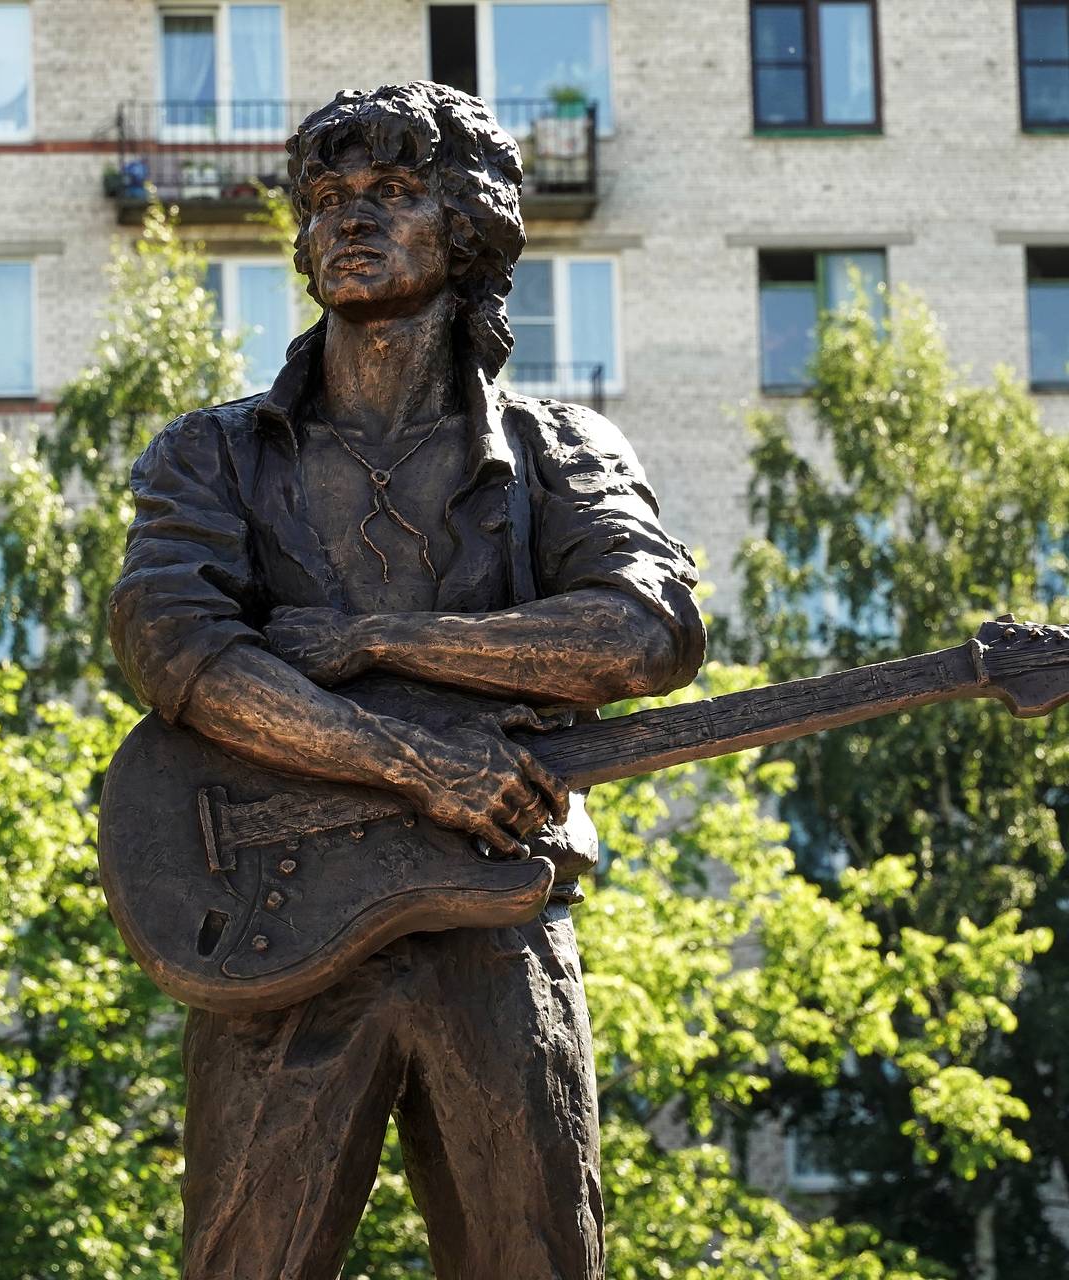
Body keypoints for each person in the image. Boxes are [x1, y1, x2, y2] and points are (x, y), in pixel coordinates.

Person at [108, 81, 705, 1280]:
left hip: (498, 930)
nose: (349, 220)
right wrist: (415, 760)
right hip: (274, 928)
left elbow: (644, 634)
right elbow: (173, 647)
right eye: (327, 197)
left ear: (468, 222)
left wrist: (382, 636)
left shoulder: (559, 449)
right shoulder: (211, 453)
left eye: (391, 191)